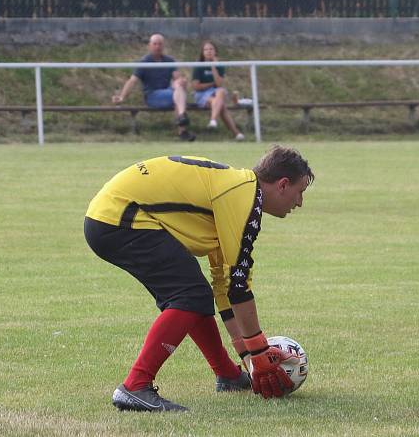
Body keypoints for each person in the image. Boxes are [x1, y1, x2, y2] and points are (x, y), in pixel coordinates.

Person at [84, 145, 314, 411]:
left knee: (195, 294)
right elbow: (238, 287)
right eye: (300, 192)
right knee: (189, 296)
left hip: (112, 217)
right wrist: (259, 352)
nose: (299, 202)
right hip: (121, 218)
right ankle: (135, 385)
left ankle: (228, 375)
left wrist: (246, 355)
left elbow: (224, 284)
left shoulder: (239, 192)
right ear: (283, 184)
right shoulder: (243, 196)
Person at [112, 34, 195, 142]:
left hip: (169, 93)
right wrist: (122, 97)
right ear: (149, 46)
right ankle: (182, 124)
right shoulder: (144, 62)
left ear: (163, 46)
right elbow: (132, 81)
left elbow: (177, 78)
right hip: (152, 96)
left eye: (160, 44)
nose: (157, 46)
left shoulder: (169, 61)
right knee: (178, 97)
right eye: (155, 44)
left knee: (178, 91)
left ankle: (182, 124)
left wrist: (181, 82)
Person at [192, 41, 245, 141]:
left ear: (215, 51)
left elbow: (219, 84)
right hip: (201, 95)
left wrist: (213, 66)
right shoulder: (198, 66)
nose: (209, 51)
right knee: (221, 105)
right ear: (202, 52)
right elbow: (196, 86)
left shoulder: (219, 65)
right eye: (206, 49)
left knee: (220, 91)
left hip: (215, 95)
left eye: (211, 49)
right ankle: (236, 132)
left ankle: (213, 120)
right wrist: (211, 84)